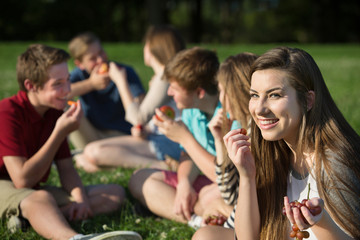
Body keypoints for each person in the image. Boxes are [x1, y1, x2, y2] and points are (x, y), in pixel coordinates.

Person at [193, 47, 360, 240]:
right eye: (254, 95)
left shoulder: (334, 162)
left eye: (274, 95)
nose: (260, 109)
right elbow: (247, 237)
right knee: (205, 236)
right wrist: (247, 175)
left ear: (308, 100)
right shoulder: (269, 149)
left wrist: (321, 222)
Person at [0, 44, 142, 240]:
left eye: (68, 80)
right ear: (30, 85)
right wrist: (59, 132)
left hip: (31, 191)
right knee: (41, 198)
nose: (67, 90)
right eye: (57, 84)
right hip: (6, 184)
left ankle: (27, 219)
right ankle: (74, 238)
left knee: (113, 193)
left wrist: (81, 200)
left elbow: (66, 168)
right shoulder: (7, 112)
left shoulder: (53, 112)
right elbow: (22, 180)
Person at [129, 47, 225, 225]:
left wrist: (185, 138)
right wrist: (184, 183)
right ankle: (196, 219)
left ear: (199, 92)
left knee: (209, 196)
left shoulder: (230, 114)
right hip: (206, 180)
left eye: (174, 88)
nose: (169, 93)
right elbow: (187, 156)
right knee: (139, 179)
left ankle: (193, 213)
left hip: (227, 186)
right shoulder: (191, 110)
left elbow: (227, 178)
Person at [74, 25, 185, 172]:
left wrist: (120, 81)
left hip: (168, 143)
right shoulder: (162, 78)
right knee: (85, 157)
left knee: (90, 154)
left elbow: (137, 118)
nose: (100, 59)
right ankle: (127, 164)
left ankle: (163, 167)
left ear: (153, 49)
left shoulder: (165, 78)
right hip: (157, 138)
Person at [202, 53, 258, 229]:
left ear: (236, 92)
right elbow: (231, 196)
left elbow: (237, 199)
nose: (221, 99)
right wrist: (219, 141)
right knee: (209, 200)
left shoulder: (259, 135)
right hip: (248, 216)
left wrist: (223, 228)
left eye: (222, 91)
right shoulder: (243, 127)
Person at [67, 32, 145, 151]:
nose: (101, 60)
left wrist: (120, 81)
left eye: (101, 52)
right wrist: (91, 84)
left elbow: (142, 109)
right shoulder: (79, 75)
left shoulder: (124, 72)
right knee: (63, 105)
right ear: (80, 64)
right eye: (93, 58)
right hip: (92, 134)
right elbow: (61, 93)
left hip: (122, 135)